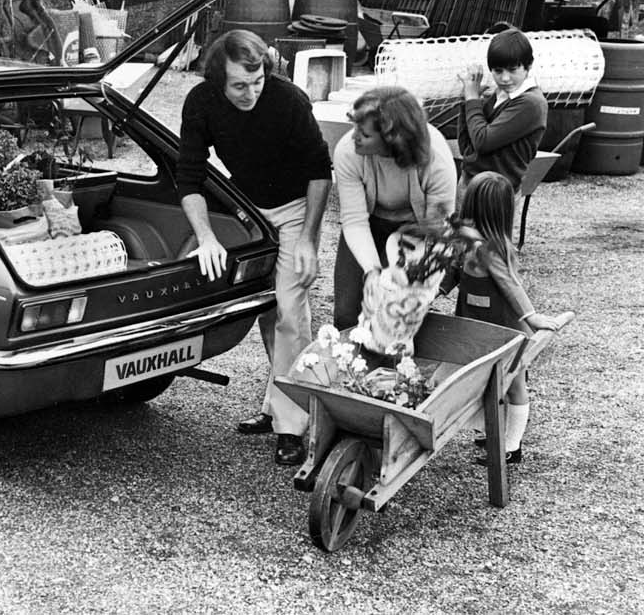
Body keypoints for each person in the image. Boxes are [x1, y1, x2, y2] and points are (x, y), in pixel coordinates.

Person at [177, 30, 332, 466]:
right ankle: (279, 402)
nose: (251, 93)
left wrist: (307, 240)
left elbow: (321, 171)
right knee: (267, 308)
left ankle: (292, 426)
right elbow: (189, 176)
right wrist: (207, 237)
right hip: (249, 210)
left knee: (290, 309)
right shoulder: (201, 102)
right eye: (239, 86)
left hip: (296, 208)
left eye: (258, 81)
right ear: (217, 81)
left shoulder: (289, 101)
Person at [442, 171, 573, 465]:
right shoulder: (463, 243)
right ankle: (491, 429)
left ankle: (511, 447)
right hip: (474, 326)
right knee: (484, 379)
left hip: (505, 331)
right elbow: (452, 272)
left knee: (514, 385)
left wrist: (532, 316)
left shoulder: (493, 252)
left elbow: (511, 286)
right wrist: (435, 291)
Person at [333, 86, 457, 331]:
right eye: (356, 127)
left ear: (392, 139)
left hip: (416, 231)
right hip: (368, 224)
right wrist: (372, 272)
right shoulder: (347, 151)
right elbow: (355, 221)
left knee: (397, 312)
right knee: (348, 313)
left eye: (365, 134)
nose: (354, 136)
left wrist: (412, 278)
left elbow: (437, 230)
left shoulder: (437, 159)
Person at [456, 25, 548, 193]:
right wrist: (466, 102)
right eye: (498, 71)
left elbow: (482, 142)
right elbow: (466, 149)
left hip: (496, 195)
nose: (505, 78)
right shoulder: (500, 95)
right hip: (470, 184)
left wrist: (472, 98)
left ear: (528, 66)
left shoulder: (531, 103)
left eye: (513, 70)